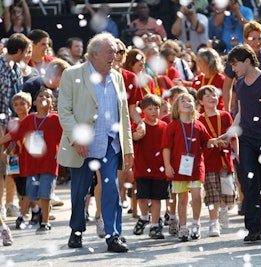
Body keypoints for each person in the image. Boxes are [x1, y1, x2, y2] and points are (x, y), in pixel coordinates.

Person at [57, 32, 134, 252]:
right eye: (111, 51)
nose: (115, 55)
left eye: (117, 52)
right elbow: (64, 111)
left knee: (112, 190)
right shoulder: (72, 75)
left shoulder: (117, 77)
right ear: (95, 54)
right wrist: (76, 138)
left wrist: (128, 148)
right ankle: (77, 230)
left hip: (110, 144)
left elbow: (124, 116)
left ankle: (113, 236)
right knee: (80, 191)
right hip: (82, 145)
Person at [226, 44, 261, 242]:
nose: (234, 69)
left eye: (235, 64)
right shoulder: (239, 83)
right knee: (248, 182)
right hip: (246, 138)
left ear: (247, 60)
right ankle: (252, 227)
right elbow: (240, 111)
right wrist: (231, 130)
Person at [0, 88, 63, 234]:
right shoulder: (29, 120)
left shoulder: (56, 119)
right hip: (32, 165)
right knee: (32, 194)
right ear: (35, 102)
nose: (44, 97)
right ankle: (42, 208)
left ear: (52, 103)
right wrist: (3, 147)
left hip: (49, 163)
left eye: (48, 96)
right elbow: (14, 136)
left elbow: (66, 136)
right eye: (40, 95)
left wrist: (62, 152)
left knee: (45, 193)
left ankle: (45, 222)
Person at [161, 92, 221, 241]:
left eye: (190, 100)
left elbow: (205, 142)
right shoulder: (172, 126)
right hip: (177, 167)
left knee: (196, 195)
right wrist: (167, 165)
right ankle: (183, 227)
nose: (187, 103)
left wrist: (214, 141)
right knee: (182, 198)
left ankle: (196, 223)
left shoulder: (199, 124)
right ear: (177, 107)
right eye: (183, 101)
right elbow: (166, 148)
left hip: (196, 166)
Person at [197, 85, 238, 237]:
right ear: (200, 101)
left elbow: (234, 136)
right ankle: (213, 222)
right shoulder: (199, 119)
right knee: (212, 193)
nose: (212, 98)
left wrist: (237, 153)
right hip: (208, 161)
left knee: (228, 193)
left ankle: (224, 210)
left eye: (214, 95)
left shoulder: (225, 116)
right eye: (207, 96)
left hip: (225, 160)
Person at [223, 21, 261, 114]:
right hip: (242, 111)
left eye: (260, 39)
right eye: (253, 39)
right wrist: (227, 110)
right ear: (245, 39)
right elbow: (227, 85)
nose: (257, 42)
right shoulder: (235, 57)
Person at [131, 94, 169, 239]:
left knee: (156, 198)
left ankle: (154, 226)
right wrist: (138, 135)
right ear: (143, 111)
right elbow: (132, 138)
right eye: (150, 109)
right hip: (142, 168)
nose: (154, 111)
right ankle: (144, 216)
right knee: (142, 197)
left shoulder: (164, 126)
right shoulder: (139, 125)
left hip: (159, 169)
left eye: (156, 108)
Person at [1, 92, 35, 230]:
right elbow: (8, 141)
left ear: (29, 105)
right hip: (15, 158)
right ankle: (36, 210)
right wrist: (4, 151)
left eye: (22, 104)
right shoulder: (12, 122)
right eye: (16, 104)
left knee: (29, 187)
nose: (19, 107)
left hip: (29, 159)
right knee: (20, 187)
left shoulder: (33, 119)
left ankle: (22, 215)